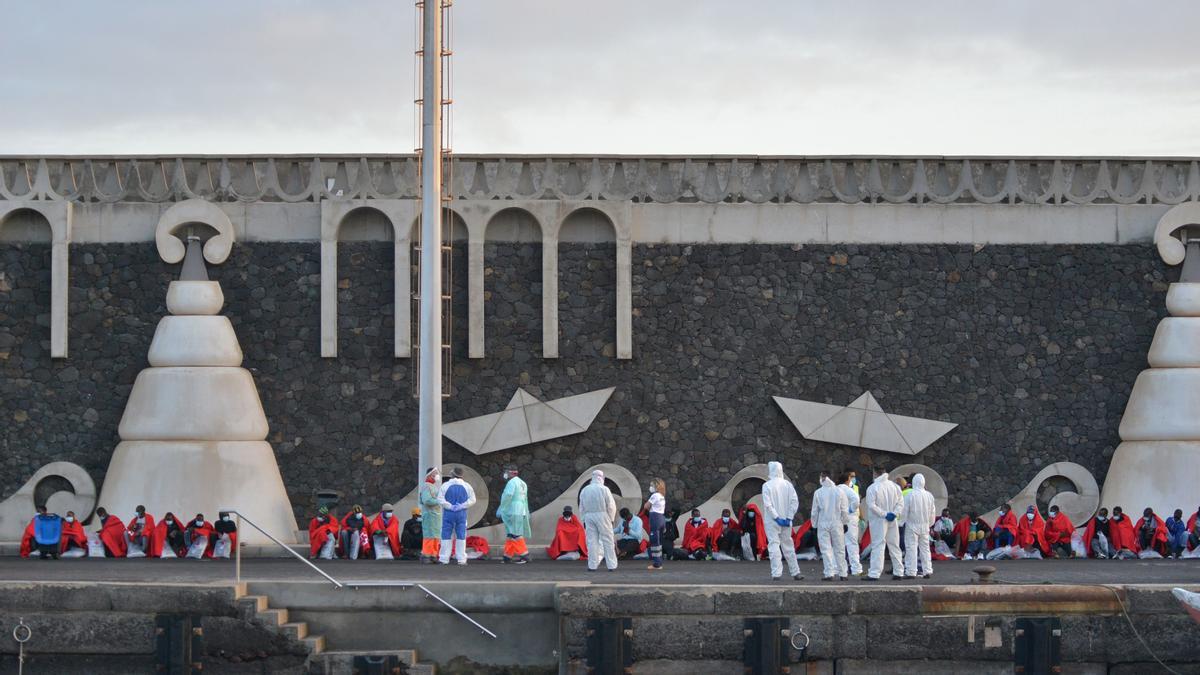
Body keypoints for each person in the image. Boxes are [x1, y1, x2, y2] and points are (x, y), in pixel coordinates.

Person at [762, 461, 803, 582]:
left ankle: (776, 574)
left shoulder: (767, 485)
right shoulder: (788, 485)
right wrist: (789, 517)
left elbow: (768, 505)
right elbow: (794, 502)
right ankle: (795, 572)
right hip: (786, 521)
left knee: (774, 546)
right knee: (788, 546)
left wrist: (776, 517)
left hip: (772, 521)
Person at [865, 467, 904, 581]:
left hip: (879, 520)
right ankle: (898, 572)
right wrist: (894, 513)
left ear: (875, 474)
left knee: (878, 545)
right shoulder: (895, 487)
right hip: (892, 519)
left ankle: (874, 573)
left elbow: (871, 506)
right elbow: (900, 503)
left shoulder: (872, 488)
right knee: (894, 545)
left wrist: (884, 514)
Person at [810, 471, 848, 581]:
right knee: (840, 548)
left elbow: (814, 511)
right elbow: (844, 510)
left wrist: (814, 524)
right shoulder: (840, 491)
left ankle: (829, 573)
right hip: (837, 522)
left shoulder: (818, 492)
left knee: (826, 549)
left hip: (823, 522)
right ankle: (843, 573)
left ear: (823, 478)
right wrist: (845, 523)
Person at [579, 469, 619, 571]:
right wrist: (611, 518)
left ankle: (592, 565)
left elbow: (581, 507)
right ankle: (611, 565)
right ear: (602, 478)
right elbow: (611, 505)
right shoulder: (604, 489)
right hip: (603, 515)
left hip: (589, 516)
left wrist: (583, 519)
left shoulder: (585, 490)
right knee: (608, 540)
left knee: (591, 542)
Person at [437, 466, 477, 566]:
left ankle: (444, 559)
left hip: (448, 514)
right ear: (462, 475)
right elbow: (473, 500)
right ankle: (461, 559)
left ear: (452, 474)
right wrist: (462, 506)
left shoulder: (445, 485)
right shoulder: (467, 486)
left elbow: (440, 499)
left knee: (446, 536)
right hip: (461, 514)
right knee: (461, 536)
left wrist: (450, 506)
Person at [901, 474, 936, 578]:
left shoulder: (909, 495)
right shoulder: (929, 496)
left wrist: (901, 522)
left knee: (911, 548)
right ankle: (927, 570)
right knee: (925, 549)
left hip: (912, 525)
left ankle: (911, 571)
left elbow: (904, 511)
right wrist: (929, 524)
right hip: (925, 526)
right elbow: (932, 512)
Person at [498, 465, 532, 565]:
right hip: (521, 510)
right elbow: (525, 499)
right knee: (510, 534)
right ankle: (507, 556)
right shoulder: (522, 483)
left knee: (515, 534)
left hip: (513, 510)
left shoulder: (511, 483)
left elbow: (508, 496)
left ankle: (525, 555)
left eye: (506, 472)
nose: (505, 474)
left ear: (511, 473)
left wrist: (502, 508)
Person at [838, 472, 863, 576]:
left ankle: (838, 569)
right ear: (848, 480)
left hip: (838, 519)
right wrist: (850, 509)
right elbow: (857, 500)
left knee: (839, 544)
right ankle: (856, 569)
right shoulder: (848, 490)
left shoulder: (836, 489)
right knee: (852, 544)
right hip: (850, 519)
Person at [643, 478, 668, 570]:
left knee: (654, 542)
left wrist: (648, 507)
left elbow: (646, 506)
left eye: (652, 485)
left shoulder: (655, 495)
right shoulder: (662, 496)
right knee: (659, 542)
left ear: (656, 486)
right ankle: (659, 562)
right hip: (661, 518)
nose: (651, 487)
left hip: (655, 519)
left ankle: (656, 564)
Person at [420, 467, 443, 564]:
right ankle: (426, 555)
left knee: (436, 536)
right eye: (435, 473)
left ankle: (434, 555)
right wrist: (439, 501)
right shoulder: (426, 486)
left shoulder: (434, 486)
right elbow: (426, 500)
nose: (437, 475)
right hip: (429, 515)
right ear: (429, 475)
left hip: (436, 516)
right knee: (429, 535)